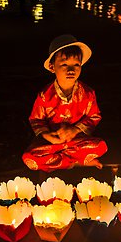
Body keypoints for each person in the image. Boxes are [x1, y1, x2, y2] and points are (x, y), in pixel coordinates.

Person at [22, 34, 108, 173]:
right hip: (52, 143)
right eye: (64, 64)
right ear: (52, 66)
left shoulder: (88, 93)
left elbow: (94, 116)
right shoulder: (44, 95)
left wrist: (75, 130)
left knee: (101, 146)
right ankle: (77, 162)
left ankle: (61, 160)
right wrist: (47, 135)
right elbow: (36, 119)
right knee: (29, 158)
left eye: (76, 65)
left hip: (76, 141)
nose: (71, 70)